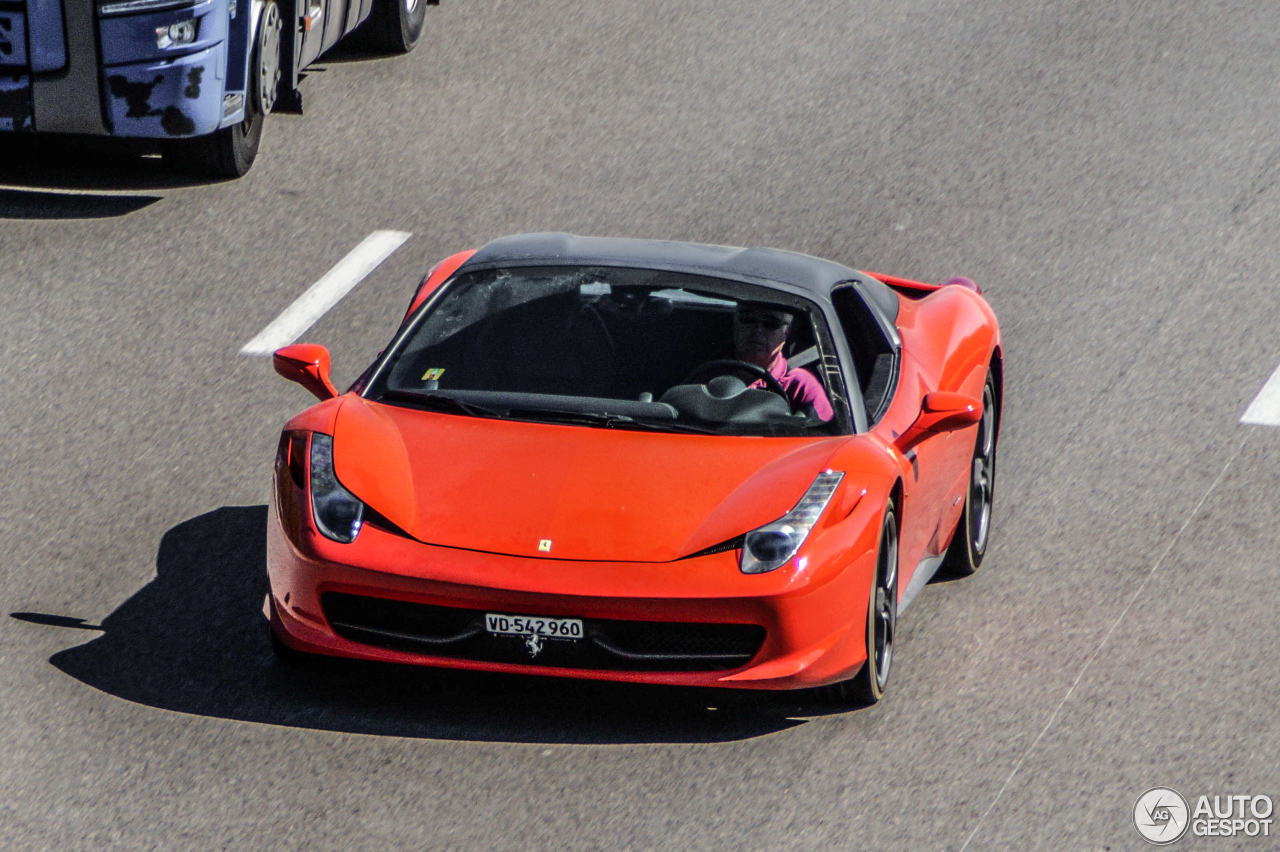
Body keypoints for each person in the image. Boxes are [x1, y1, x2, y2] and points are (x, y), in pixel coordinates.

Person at [733, 304, 834, 421]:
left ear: (786, 332)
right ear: (735, 323)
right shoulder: (711, 372)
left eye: (771, 322)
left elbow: (827, 437)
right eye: (747, 317)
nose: (757, 329)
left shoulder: (801, 386)